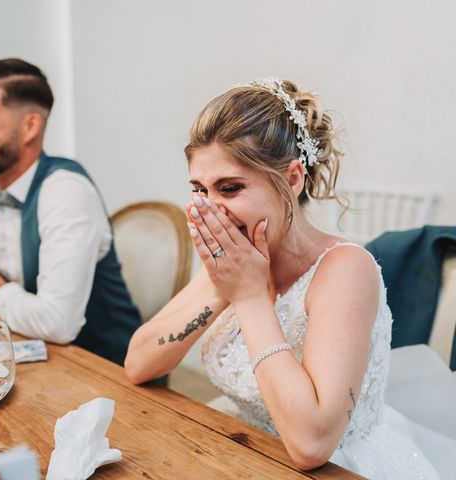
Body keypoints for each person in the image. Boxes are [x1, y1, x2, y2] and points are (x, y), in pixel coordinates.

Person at [124, 78, 456, 478]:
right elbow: (138, 364)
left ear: (292, 179)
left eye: (230, 188)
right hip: (240, 448)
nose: (212, 210)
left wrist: (248, 297)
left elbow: (311, 445)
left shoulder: (345, 270)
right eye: (200, 190)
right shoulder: (235, 259)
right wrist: (220, 288)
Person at [0, 58, 140, 366]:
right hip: (36, 359)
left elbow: (58, 324)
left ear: (30, 125)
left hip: (107, 368)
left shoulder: (66, 191)